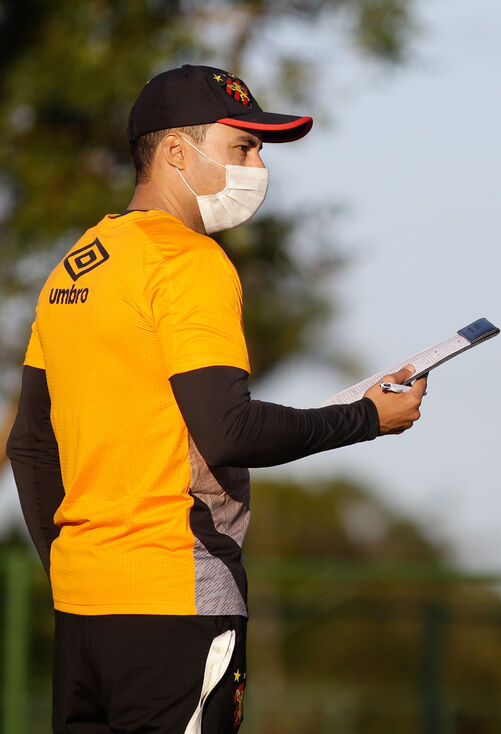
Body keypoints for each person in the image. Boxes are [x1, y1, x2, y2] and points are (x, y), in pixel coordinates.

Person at [5, 64, 427, 733]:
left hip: (84, 614)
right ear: (176, 151)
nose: (259, 165)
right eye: (244, 147)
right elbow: (229, 431)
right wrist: (367, 417)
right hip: (179, 603)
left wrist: (77, 570)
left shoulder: (76, 265)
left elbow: (30, 446)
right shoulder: (190, 260)